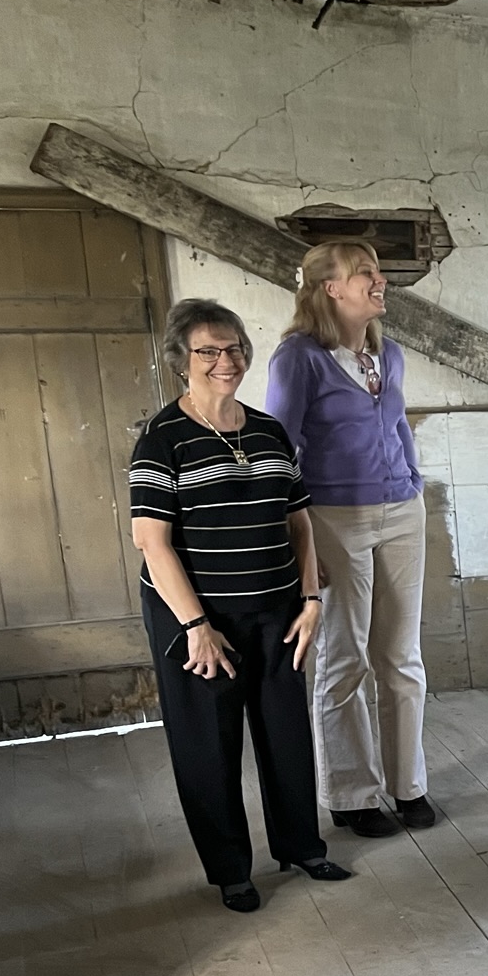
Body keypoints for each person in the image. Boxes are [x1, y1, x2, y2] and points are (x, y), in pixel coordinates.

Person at [130, 299, 351, 911]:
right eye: (209, 350)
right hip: (202, 619)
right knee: (209, 742)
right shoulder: (161, 439)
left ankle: (302, 847)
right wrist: (196, 626)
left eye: (234, 348)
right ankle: (231, 869)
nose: (225, 361)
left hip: (279, 608)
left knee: (285, 732)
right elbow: (152, 543)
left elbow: (300, 522)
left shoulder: (268, 429)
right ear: (182, 361)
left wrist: (310, 599)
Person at [265, 241, 436, 841]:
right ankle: (350, 793)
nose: (378, 280)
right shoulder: (298, 359)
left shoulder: (387, 353)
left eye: (377, 271)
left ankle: (408, 784)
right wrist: (296, 532)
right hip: (335, 517)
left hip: (401, 511)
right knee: (344, 658)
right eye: (364, 272)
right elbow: (279, 449)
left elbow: (397, 427)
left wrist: (412, 483)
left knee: (401, 657)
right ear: (329, 288)